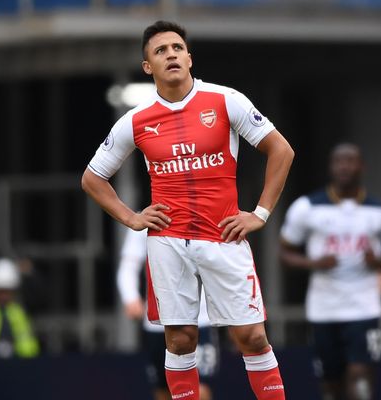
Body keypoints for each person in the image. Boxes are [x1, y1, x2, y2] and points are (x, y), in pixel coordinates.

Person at [82, 20, 294, 400]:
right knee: (180, 339)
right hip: (168, 241)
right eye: (160, 51)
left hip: (224, 233)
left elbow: (281, 150)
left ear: (190, 58)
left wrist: (259, 214)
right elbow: (93, 178)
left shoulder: (226, 100)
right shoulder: (136, 120)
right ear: (148, 67)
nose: (171, 55)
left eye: (177, 48)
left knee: (252, 335)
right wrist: (131, 217)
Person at [280, 143, 381, 400]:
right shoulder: (307, 207)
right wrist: (313, 263)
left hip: (364, 306)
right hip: (324, 308)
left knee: (361, 376)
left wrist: (377, 261)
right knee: (330, 383)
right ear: (331, 167)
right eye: (338, 161)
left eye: (350, 161)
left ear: (362, 166)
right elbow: (285, 253)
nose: (344, 166)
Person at [117, 227, 218, 400]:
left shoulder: (202, 211)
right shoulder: (146, 219)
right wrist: (131, 297)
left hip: (199, 319)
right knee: (163, 389)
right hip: (159, 321)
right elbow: (129, 264)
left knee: (200, 387)